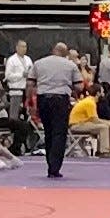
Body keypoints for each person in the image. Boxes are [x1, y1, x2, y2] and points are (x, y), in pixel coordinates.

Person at [29, 41, 85, 178]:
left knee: (48, 132)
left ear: (53, 50)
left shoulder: (39, 63)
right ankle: (54, 167)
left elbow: (30, 83)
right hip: (60, 100)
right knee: (59, 133)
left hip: (43, 99)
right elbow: (79, 86)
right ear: (65, 53)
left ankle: (50, 163)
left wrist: (31, 103)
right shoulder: (70, 65)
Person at [0, 73, 36, 153]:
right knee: (23, 126)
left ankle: (16, 147)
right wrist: (1, 90)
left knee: (21, 124)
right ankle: (15, 149)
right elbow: (3, 105)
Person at [69, 83, 110, 155]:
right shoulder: (90, 103)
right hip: (77, 125)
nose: (104, 93)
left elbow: (93, 119)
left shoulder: (91, 101)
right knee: (103, 127)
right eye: (102, 91)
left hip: (84, 123)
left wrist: (109, 123)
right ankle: (103, 151)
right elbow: (94, 120)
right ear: (98, 93)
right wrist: (107, 123)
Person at [5, 39, 34, 121]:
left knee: (27, 113)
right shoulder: (11, 60)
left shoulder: (28, 59)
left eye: (25, 47)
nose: (24, 48)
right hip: (16, 90)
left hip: (27, 91)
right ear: (17, 48)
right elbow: (8, 76)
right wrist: (21, 75)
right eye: (22, 46)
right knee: (14, 114)